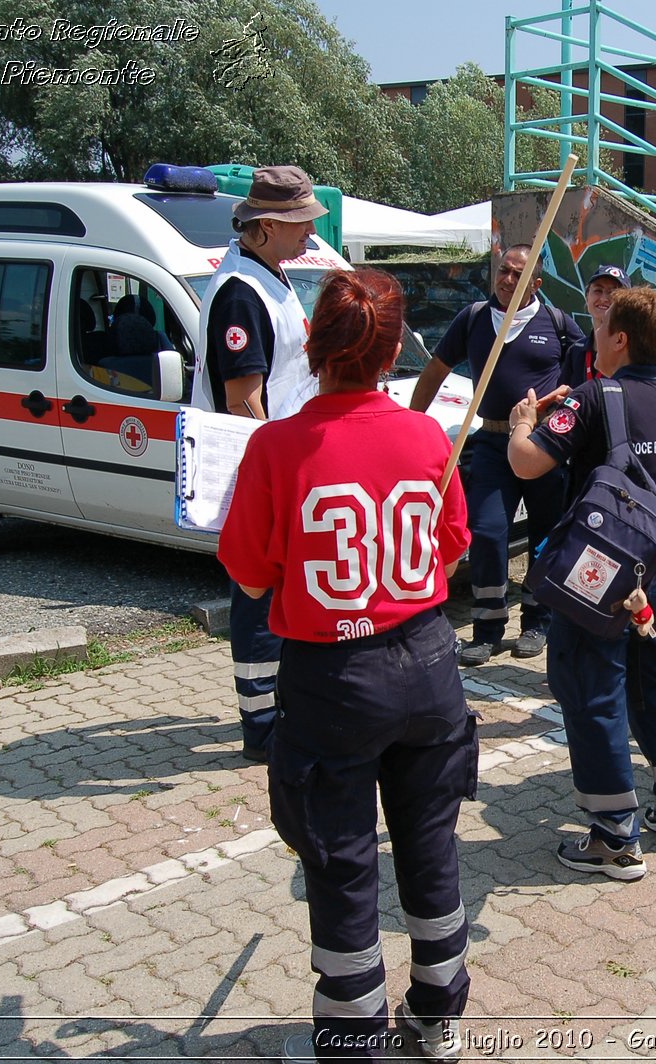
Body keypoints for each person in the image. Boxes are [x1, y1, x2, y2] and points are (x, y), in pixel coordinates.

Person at [218, 269, 475, 1064]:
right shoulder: (429, 436)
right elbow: (455, 545)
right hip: (430, 664)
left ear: (310, 345)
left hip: (333, 681)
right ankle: (437, 1021)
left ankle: (353, 1039)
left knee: (340, 863)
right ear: (394, 348)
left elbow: (252, 578)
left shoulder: (277, 444)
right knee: (430, 846)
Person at [508, 286, 656, 880]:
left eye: (601, 326)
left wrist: (525, 423)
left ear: (620, 338)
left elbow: (526, 463)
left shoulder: (595, 397)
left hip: (601, 559)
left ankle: (614, 837)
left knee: (591, 685)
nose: (593, 333)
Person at [192, 164, 327, 762]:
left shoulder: (267, 276)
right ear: (266, 226)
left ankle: (278, 707)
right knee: (256, 593)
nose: (309, 235)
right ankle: (262, 723)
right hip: (257, 466)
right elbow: (243, 398)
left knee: (274, 593)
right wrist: (279, 468)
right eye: (300, 224)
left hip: (277, 460)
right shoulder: (241, 290)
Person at [409, 244, 583, 666]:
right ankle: (487, 626)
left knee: (545, 534)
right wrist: (410, 424)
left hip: (544, 446)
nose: (507, 280)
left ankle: (538, 621)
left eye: (517, 274)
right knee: (487, 531)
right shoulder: (472, 318)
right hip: (491, 442)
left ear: (535, 284)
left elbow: (585, 375)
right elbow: (435, 370)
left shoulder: (558, 324)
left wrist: (564, 398)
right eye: (503, 271)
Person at [560, 263, 627, 386]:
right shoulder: (576, 351)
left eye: (613, 293)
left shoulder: (630, 356)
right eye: (598, 290)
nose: (603, 298)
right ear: (587, 297)